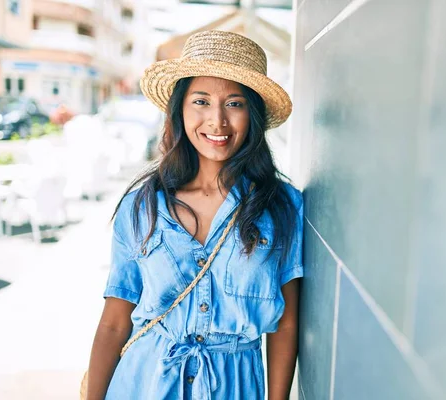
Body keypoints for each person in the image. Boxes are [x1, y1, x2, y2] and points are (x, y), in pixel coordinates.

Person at [85, 30, 303, 400]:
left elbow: (286, 325)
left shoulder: (282, 206)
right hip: (144, 382)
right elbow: (113, 323)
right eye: (201, 101)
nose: (217, 121)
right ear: (180, 109)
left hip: (234, 386)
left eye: (234, 104)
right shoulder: (142, 208)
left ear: (253, 114)